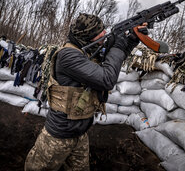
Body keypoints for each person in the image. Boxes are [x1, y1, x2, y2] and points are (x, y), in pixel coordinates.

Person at [25, 13, 145, 171]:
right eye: (99, 34)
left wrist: (131, 40)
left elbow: (115, 58)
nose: (104, 36)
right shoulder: (68, 55)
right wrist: (118, 45)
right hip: (58, 137)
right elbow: (106, 79)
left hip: (80, 135)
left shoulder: (87, 52)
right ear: (87, 37)